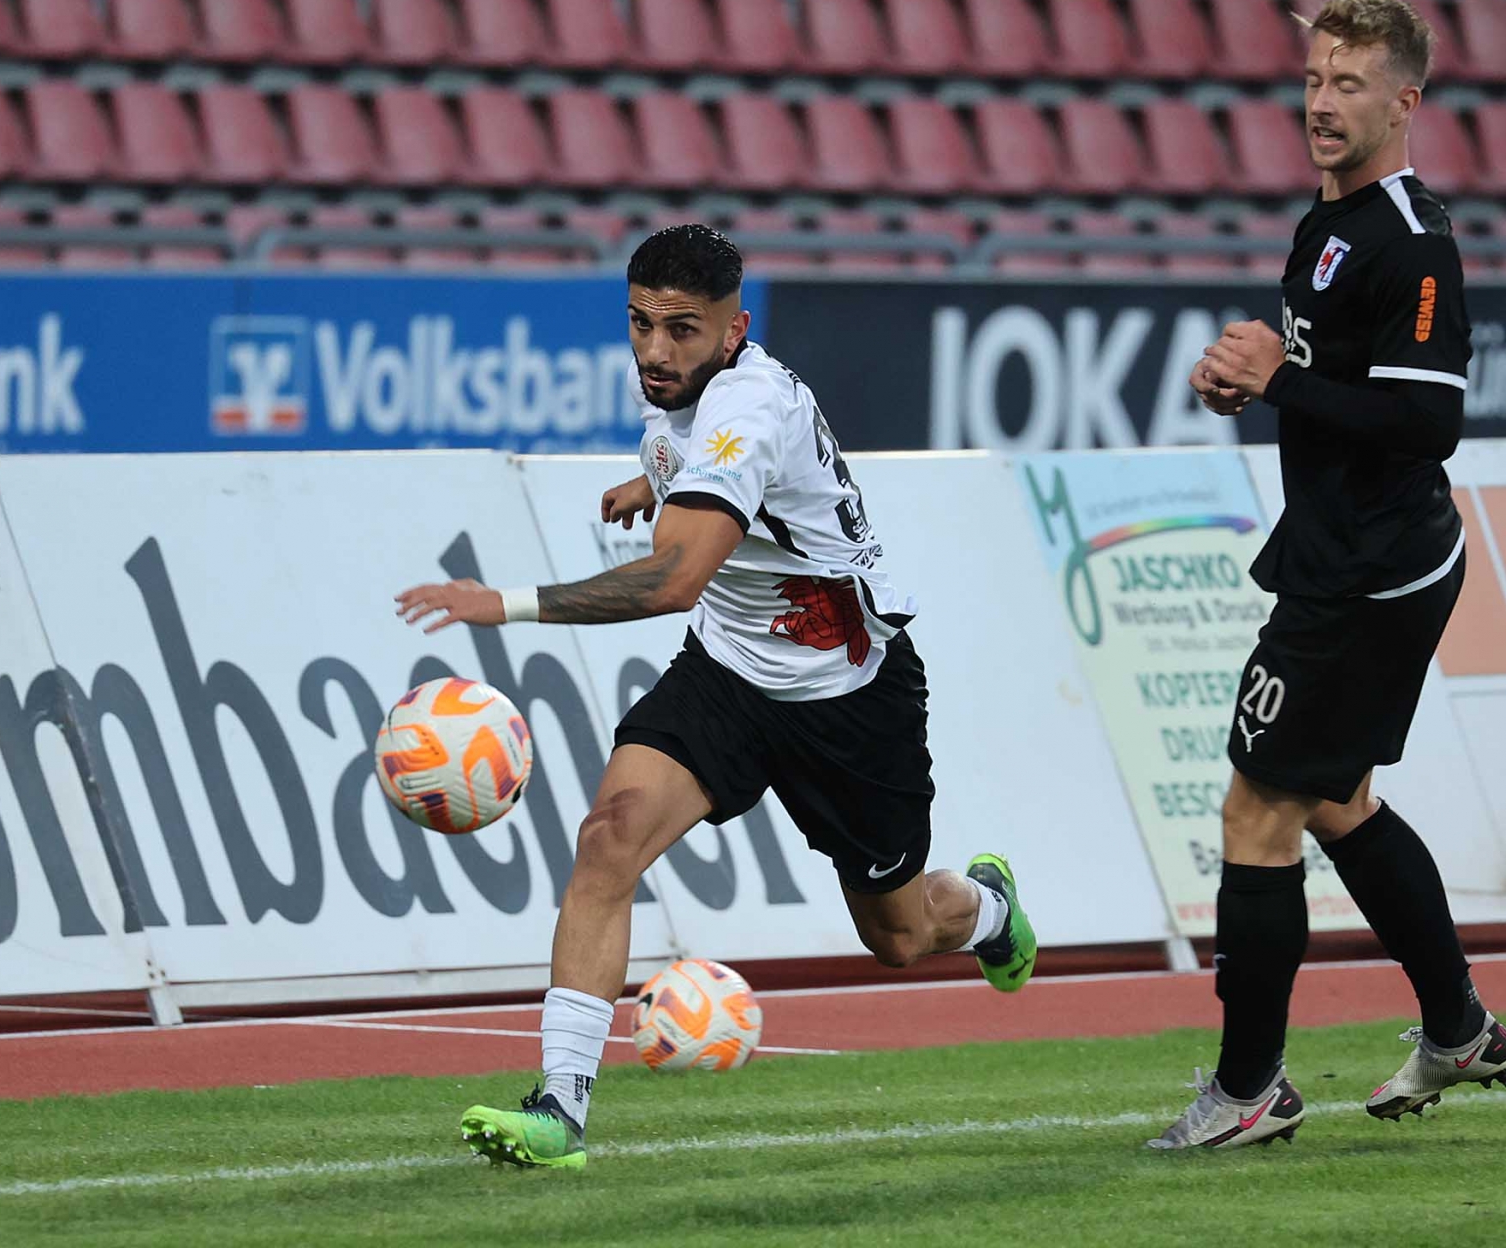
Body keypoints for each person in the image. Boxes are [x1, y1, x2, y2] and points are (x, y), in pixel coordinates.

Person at [395, 224, 1036, 1170]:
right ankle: (558, 1114)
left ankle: (986, 911)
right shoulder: (684, 390)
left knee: (898, 936)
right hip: (729, 672)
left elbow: (670, 584)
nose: (655, 351)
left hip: (847, 692)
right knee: (608, 838)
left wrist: (506, 604)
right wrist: (647, 483)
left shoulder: (749, 409)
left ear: (733, 332)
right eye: (640, 324)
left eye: (681, 331)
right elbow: (698, 469)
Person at [1148, 0, 1506, 1152]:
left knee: (1257, 806)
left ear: (1405, 101)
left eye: (1349, 83)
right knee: (1331, 797)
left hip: (1373, 567)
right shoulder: (1330, 220)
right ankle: (1457, 1025)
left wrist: (1278, 383)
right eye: (1315, 77)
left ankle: (1249, 1088)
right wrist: (1246, 378)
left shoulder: (1411, 239)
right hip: (1346, 550)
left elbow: (1426, 425)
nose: (1320, 100)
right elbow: (1312, 369)